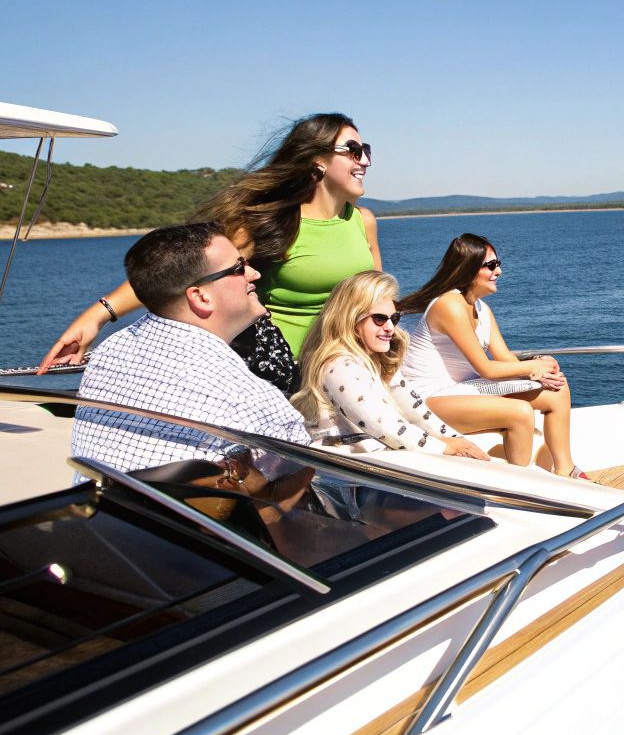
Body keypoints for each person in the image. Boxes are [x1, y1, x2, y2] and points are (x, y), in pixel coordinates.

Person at [39, 113, 381, 393]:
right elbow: (181, 271)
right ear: (317, 160)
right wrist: (97, 315)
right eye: (352, 150)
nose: (364, 159)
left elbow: (377, 302)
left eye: (365, 149)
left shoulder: (363, 222)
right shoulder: (271, 223)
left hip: (351, 374)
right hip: (288, 378)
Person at [70, 222, 312, 475]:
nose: (254, 274)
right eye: (239, 268)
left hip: (101, 504)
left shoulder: (109, 352)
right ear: (200, 297)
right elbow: (300, 476)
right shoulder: (249, 397)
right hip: (181, 514)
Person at [398, 234, 587, 479]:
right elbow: (487, 368)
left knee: (557, 391)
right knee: (519, 412)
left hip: (462, 390)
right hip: (429, 399)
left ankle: (565, 470)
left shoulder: (481, 309)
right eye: (491, 265)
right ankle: (521, 486)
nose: (498, 271)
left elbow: (505, 359)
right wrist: (533, 366)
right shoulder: (449, 305)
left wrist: (541, 371)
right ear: (468, 268)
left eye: (498, 264)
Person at [290, 271, 490, 461]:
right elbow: (388, 428)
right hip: (353, 468)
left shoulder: (377, 360)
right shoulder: (340, 367)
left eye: (394, 319)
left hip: (380, 457)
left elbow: (418, 411)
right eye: (379, 319)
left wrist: (458, 441)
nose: (390, 327)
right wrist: (446, 447)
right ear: (351, 320)